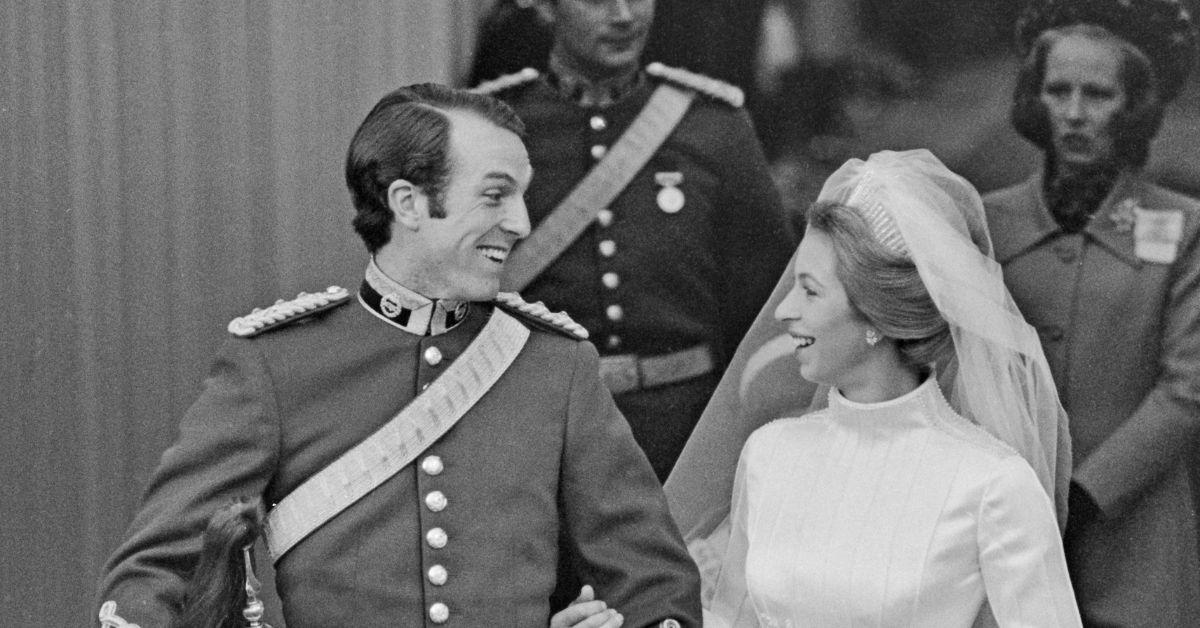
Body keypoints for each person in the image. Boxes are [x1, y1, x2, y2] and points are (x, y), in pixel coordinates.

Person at [95, 83, 701, 627]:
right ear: (408, 203)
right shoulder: (277, 364)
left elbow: (656, 585)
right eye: (495, 196)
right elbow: (149, 580)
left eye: (522, 196)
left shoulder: (553, 365)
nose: (520, 222)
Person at [665, 149, 1081, 626]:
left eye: (811, 290)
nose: (782, 311)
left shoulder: (993, 484)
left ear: (877, 315)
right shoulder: (768, 455)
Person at [476, 0, 795, 482]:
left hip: (686, 440)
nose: (624, 15)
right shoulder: (492, 133)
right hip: (541, 441)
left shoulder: (714, 127)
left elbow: (766, 305)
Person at [983, 0, 1200, 624]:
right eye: (1058, 91)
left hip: (1137, 536)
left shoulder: (1184, 230)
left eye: (1098, 95)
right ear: (1035, 100)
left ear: (1133, 107)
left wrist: (1081, 496)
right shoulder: (985, 221)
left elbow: (1188, 388)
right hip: (1002, 527)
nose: (1075, 114)